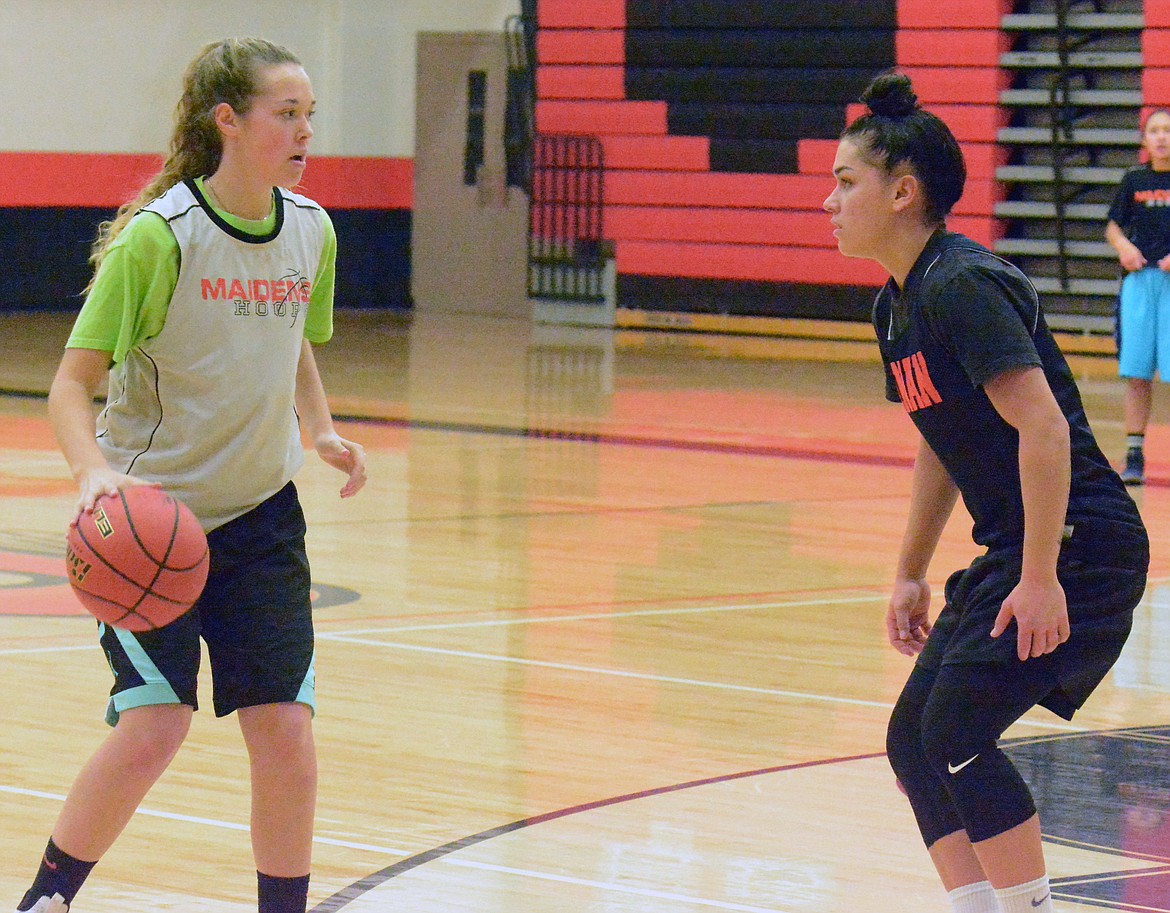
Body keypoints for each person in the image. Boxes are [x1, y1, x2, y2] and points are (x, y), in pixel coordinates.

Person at [15, 37, 367, 913]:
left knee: (286, 734)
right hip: (152, 521)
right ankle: (47, 895)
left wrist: (319, 429)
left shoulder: (311, 229)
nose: (304, 130)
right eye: (286, 113)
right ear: (228, 120)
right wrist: (92, 472)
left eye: (309, 115)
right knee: (154, 727)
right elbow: (69, 384)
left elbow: (291, 342)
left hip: (260, 516)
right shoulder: (159, 239)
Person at [823, 72, 1148, 913]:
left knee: (958, 733)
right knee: (913, 741)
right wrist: (909, 569)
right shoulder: (896, 307)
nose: (829, 200)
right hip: (1021, 544)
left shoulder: (963, 284)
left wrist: (1040, 577)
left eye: (845, 181)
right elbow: (941, 442)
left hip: (1082, 542)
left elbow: (1042, 429)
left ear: (902, 192)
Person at [1104, 108, 1170, 485]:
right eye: (1154, 131)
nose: (1161, 137)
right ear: (1145, 139)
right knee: (1137, 372)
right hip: (1140, 284)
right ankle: (1133, 455)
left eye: (1167, 130)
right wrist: (1124, 247)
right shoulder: (1134, 180)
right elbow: (1113, 226)